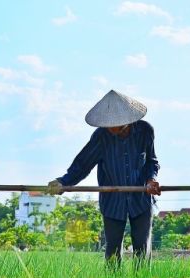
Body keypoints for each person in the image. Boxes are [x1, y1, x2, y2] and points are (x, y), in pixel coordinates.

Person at [47, 89, 161, 268]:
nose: (111, 128)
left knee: (142, 249)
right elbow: (83, 164)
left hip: (141, 199)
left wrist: (150, 180)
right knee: (113, 251)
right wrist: (63, 182)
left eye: (115, 124)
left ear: (127, 120)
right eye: (108, 124)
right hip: (112, 201)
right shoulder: (101, 136)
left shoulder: (145, 131)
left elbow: (151, 162)